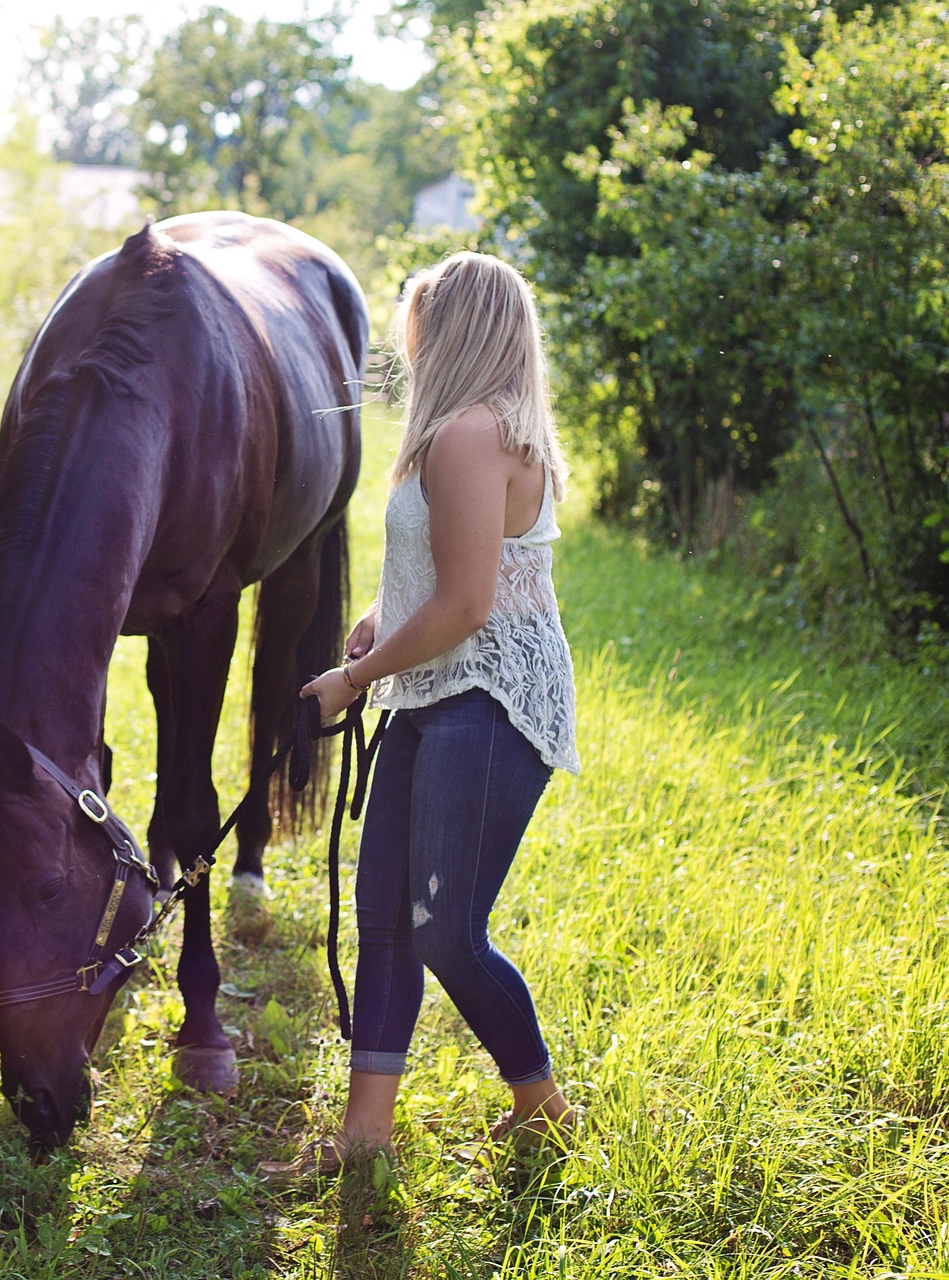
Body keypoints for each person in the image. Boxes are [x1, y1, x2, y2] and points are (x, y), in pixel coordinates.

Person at [262, 251, 581, 1178]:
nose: (411, 341)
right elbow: (446, 575)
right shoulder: (472, 430)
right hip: (434, 682)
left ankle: (544, 1105)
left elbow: (468, 604)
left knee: (445, 929)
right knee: (386, 919)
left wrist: (351, 682)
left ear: (454, 331)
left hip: (485, 696)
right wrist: (376, 622)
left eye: (421, 323)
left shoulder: (471, 435)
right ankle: (364, 1143)